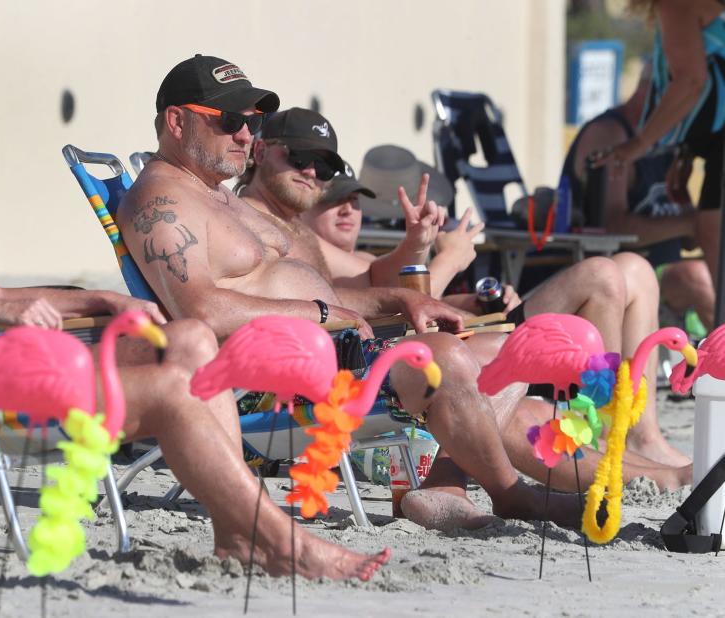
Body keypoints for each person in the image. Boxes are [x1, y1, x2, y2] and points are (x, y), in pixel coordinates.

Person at [0, 88, 388, 581]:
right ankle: (277, 540)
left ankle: (235, 527)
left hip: (7, 361)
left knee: (186, 342)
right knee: (174, 392)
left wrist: (99, 297)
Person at [121, 55, 597, 531]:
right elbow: (200, 308)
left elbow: (313, 293)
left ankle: (443, 486)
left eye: (253, 121)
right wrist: (320, 311)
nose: (246, 135)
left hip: (328, 351)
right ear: (176, 121)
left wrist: (399, 299)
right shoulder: (161, 201)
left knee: (507, 351)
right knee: (445, 361)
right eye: (229, 121)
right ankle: (512, 497)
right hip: (268, 384)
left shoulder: (215, 194)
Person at [303, 158, 692, 489]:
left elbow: (402, 302)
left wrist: (470, 299)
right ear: (305, 207)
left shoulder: (356, 261)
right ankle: (645, 460)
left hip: (474, 335)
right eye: (333, 201)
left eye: (355, 201)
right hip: (450, 363)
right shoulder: (312, 258)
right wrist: (451, 259)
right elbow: (399, 308)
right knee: (601, 276)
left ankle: (645, 441)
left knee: (635, 269)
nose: (348, 211)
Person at [565, 59, 714, 330]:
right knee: (696, 276)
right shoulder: (611, 136)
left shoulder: (669, 139)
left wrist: (702, 223)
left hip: (667, 271)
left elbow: (690, 235)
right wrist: (692, 223)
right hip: (623, 273)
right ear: (657, 92)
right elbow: (611, 225)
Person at [598, 0, 725, 295]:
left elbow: (691, 81)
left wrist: (639, 143)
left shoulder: (677, 3)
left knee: (711, 233)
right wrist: (687, 153)